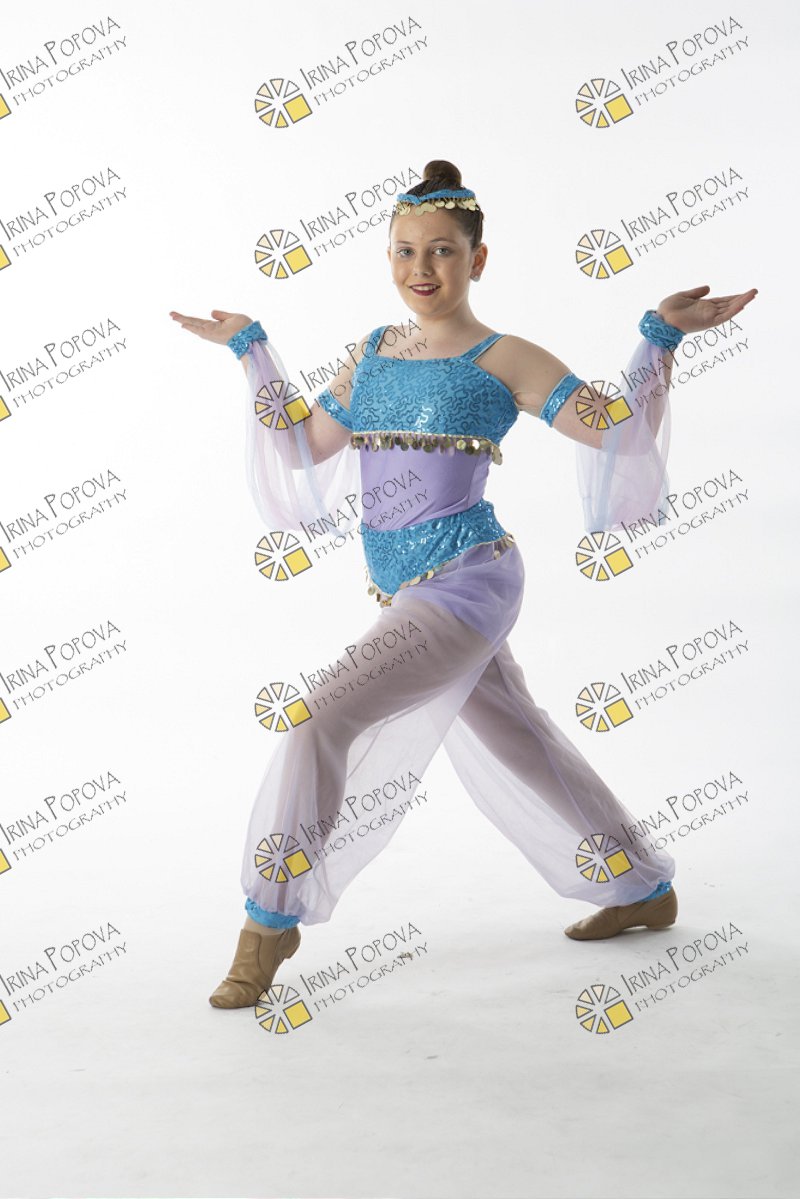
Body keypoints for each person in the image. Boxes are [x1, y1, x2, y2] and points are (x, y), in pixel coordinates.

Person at [169, 158, 757, 1010]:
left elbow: (617, 433)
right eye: (405, 251)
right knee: (522, 740)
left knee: (318, 720)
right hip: (407, 588)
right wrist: (251, 349)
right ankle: (641, 887)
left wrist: (661, 338)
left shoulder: (504, 356)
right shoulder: (373, 353)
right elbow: (303, 442)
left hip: (467, 582)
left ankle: (269, 922)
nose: (422, 268)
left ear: (476, 259)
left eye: (442, 251)